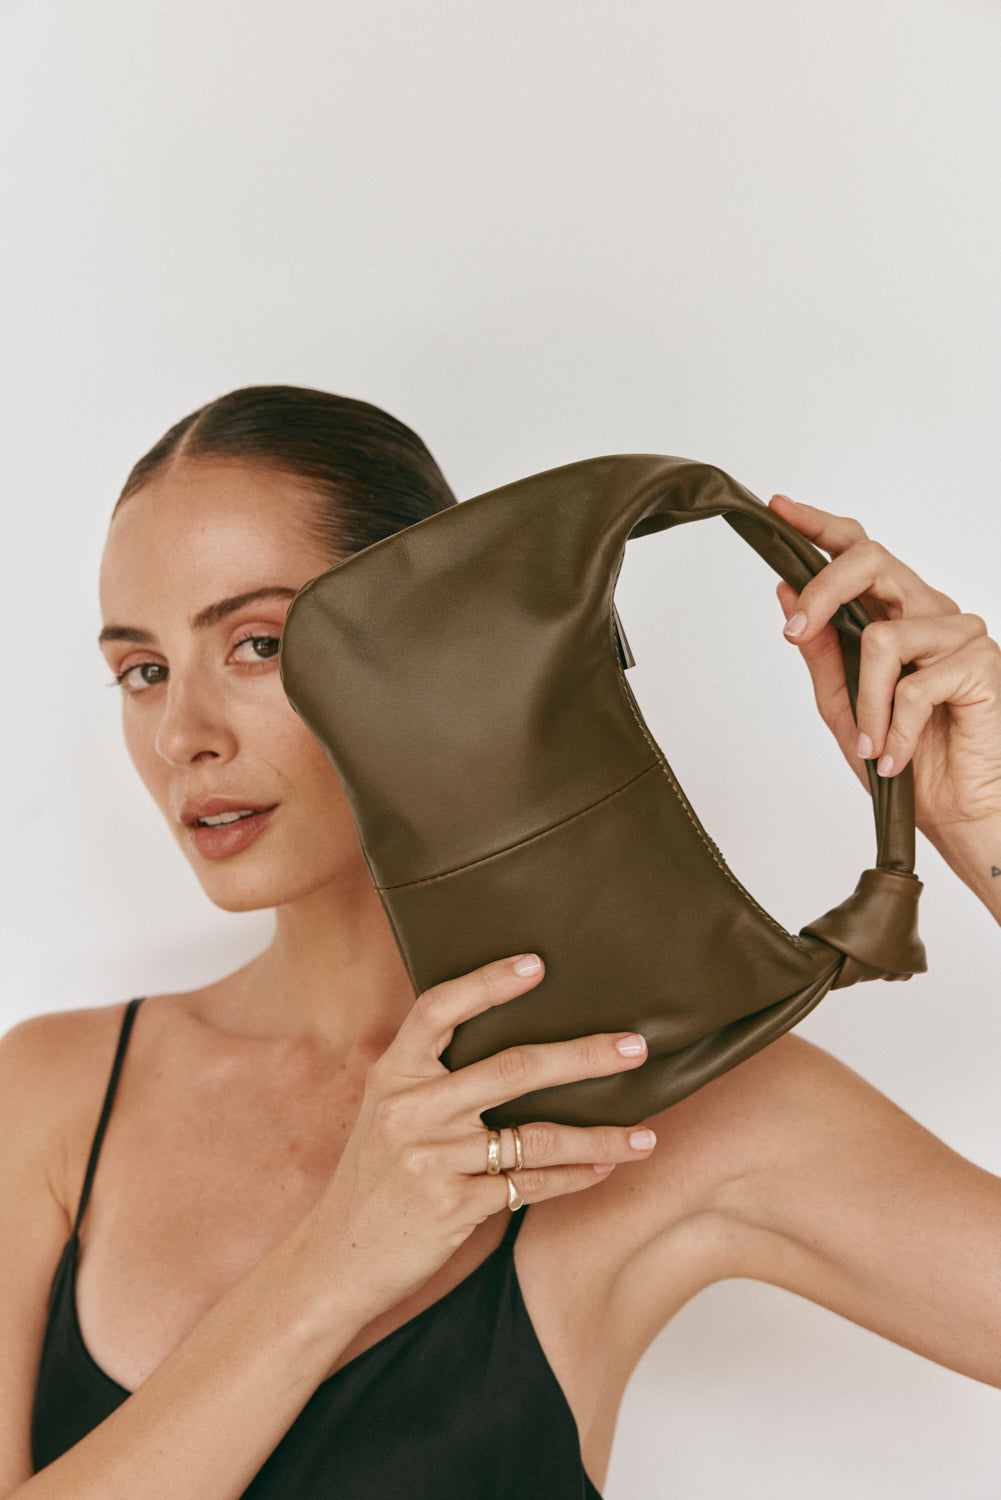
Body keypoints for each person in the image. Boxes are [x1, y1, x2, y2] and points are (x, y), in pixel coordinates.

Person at [2, 384, 999, 1499]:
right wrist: (336, 1260)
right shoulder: (48, 1097)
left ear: (430, 636)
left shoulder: (661, 1099)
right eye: (142, 672)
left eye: (258, 645)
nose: (181, 736)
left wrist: (982, 820)